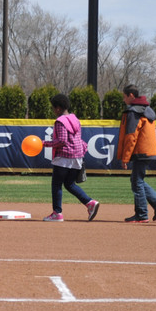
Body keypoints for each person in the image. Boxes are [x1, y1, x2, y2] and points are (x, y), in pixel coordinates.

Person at [42, 93, 99, 222]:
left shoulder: (60, 121)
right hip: (77, 156)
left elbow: (62, 141)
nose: (53, 111)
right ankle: (89, 203)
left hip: (64, 157)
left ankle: (57, 213)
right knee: (69, 184)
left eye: (53, 108)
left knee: (56, 185)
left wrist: (44, 143)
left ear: (57, 108)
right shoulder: (75, 118)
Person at [117, 84, 156, 223]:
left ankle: (142, 214)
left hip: (140, 151)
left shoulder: (134, 112)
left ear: (131, 96)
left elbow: (131, 136)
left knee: (137, 181)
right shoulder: (147, 110)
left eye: (124, 96)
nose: (124, 99)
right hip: (148, 150)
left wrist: (125, 158)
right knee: (137, 180)